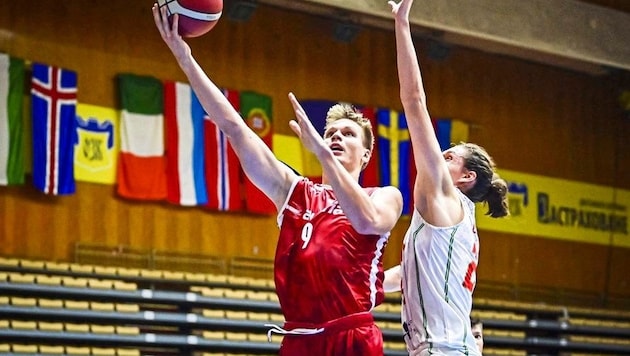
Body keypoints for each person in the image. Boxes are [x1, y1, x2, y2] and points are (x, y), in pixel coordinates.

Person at [152, 4, 404, 355]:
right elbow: (234, 129)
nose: (335, 137)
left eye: (347, 134)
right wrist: (185, 58)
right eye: (330, 132)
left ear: (365, 154)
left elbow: (367, 220)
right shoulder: (297, 192)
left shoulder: (384, 196)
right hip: (299, 339)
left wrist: (323, 155)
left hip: (351, 337)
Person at [384, 0, 509, 355]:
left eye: (449, 156)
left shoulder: (445, 197)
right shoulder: (457, 221)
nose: (440, 156)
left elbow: (414, 101)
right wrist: (367, 284)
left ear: (465, 177)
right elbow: (407, 274)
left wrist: (401, 25)